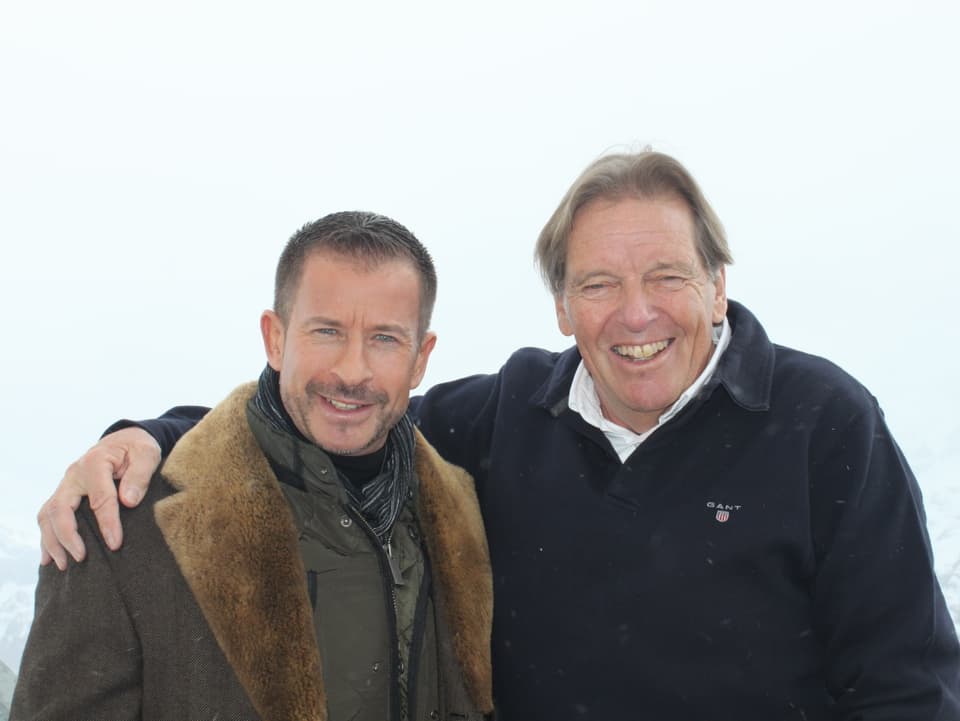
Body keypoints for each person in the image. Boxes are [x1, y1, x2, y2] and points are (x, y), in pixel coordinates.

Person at [37, 152, 960, 720]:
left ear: (719, 285)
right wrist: (153, 436)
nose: (635, 312)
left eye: (668, 275)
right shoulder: (509, 413)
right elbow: (339, 415)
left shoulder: (824, 424)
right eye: (597, 282)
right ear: (562, 306)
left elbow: (907, 686)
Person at [13, 211, 495, 721]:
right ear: (274, 338)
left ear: (421, 358)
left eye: (385, 339)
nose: (353, 371)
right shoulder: (124, 521)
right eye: (327, 331)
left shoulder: (465, 514)